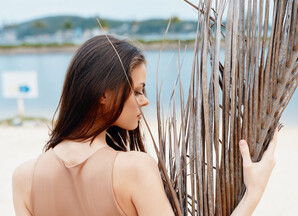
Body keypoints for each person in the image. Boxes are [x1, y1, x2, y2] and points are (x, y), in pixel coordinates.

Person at [12, 35, 278, 216]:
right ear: (104, 94)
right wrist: (253, 193)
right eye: (138, 91)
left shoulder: (24, 178)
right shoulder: (134, 169)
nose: (146, 101)